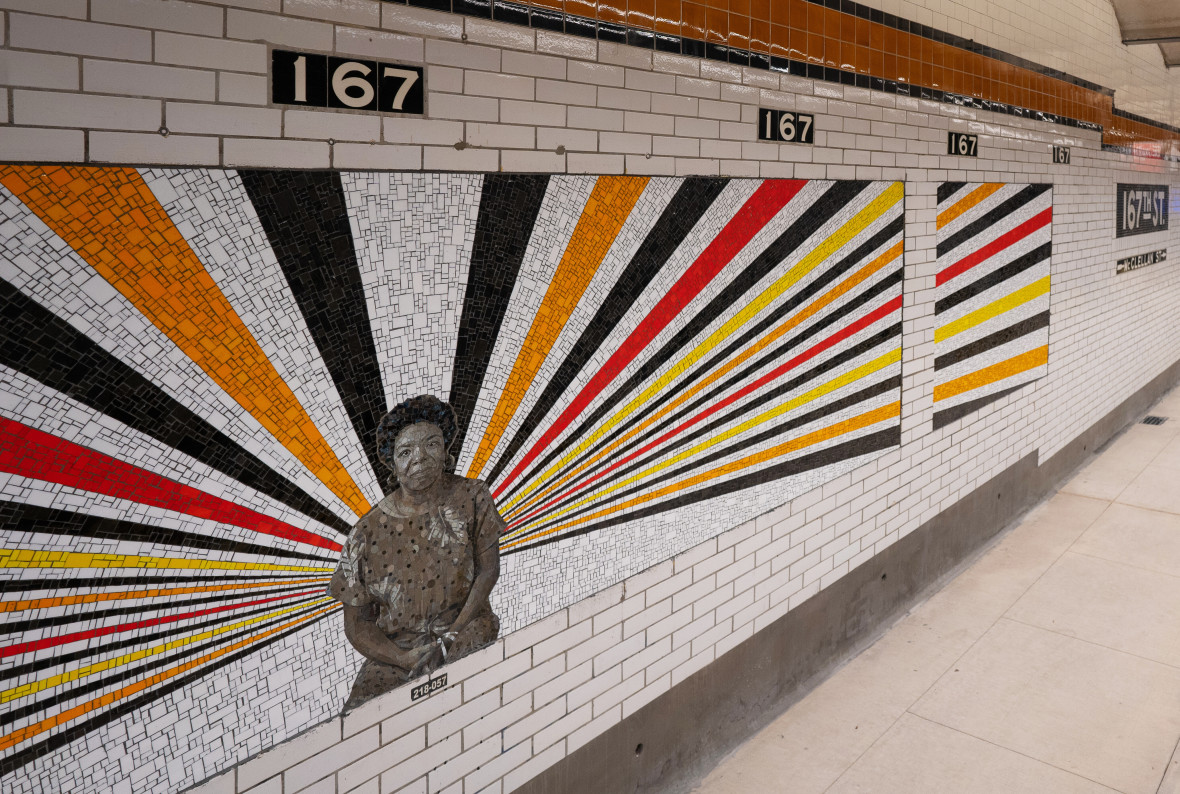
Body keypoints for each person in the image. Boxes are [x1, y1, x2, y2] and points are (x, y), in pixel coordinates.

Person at [328, 395, 503, 710]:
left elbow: (487, 571)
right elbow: (356, 624)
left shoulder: (472, 497)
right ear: (392, 465)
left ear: (447, 452)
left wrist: (451, 635)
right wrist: (401, 657)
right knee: (359, 720)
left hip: (465, 627)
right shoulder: (365, 534)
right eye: (406, 451)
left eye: (432, 445)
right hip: (397, 651)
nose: (420, 459)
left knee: (460, 696)